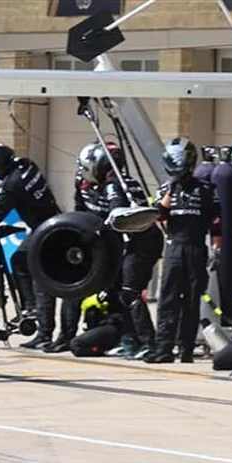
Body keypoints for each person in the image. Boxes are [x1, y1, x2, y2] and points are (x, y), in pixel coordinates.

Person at [0, 138, 64, 349]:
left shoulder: (13, 183)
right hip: (49, 224)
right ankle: (30, 309)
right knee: (19, 260)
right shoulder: (26, 164)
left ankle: (44, 331)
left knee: (40, 277)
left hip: (47, 232)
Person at [78, 141, 164, 359]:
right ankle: (129, 339)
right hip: (141, 238)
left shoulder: (114, 186)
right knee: (119, 290)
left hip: (141, 240)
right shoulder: (127, 181)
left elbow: (117, 215)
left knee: (129, 291)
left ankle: (148, 342)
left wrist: (96, 233)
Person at [145, 137, 220, 364]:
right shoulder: (165, 189)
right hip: (174, 249)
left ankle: (185, 349)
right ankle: (163, 348)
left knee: (190, 301)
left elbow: (217, 222)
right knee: (168, 300)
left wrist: (217, 249)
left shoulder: (207, 189)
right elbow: (158, 215)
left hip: (196, 248)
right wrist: (172, 188)